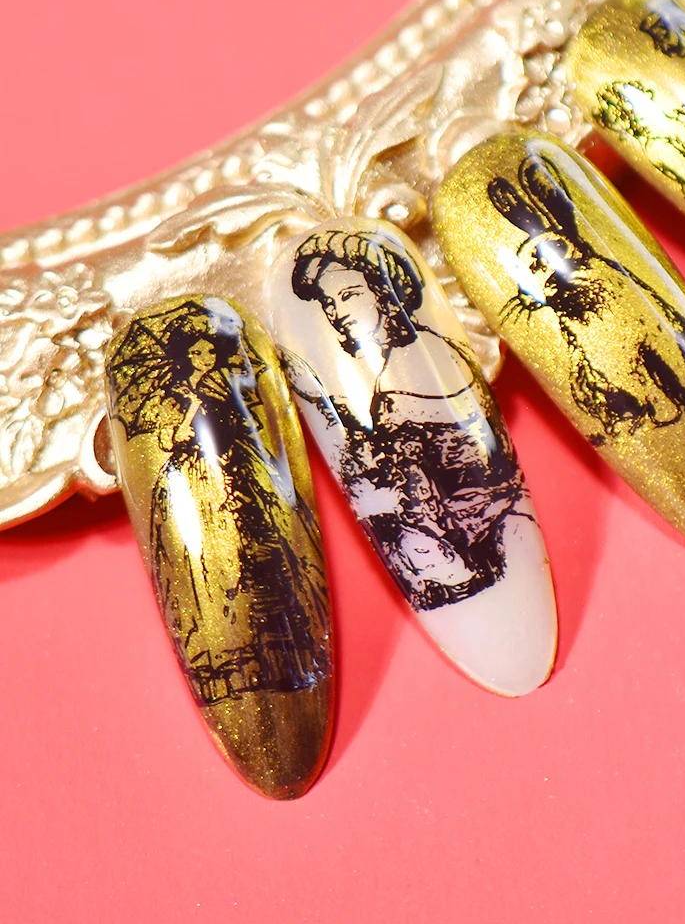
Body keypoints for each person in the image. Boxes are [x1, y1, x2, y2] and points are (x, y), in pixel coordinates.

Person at [291, 229, 520, 610]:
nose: (336, 313)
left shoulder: (420, 357)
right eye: (327, 303)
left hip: (476, 525)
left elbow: (450, 470)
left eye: (349, 295)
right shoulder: (393, 366)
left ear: (383, 293)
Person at [148, 310, 329, 704]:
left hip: (244, 465)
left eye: (209, 351)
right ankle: (238, 655)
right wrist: (193, 406)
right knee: (218, 565)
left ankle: (290, 648)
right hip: (200, 476)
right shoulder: (175, 395)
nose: (204, 358)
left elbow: (249, 422)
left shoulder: (227, 382)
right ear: (184, 358)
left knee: (271, 547)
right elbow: (169, 441)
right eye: (195, 353)